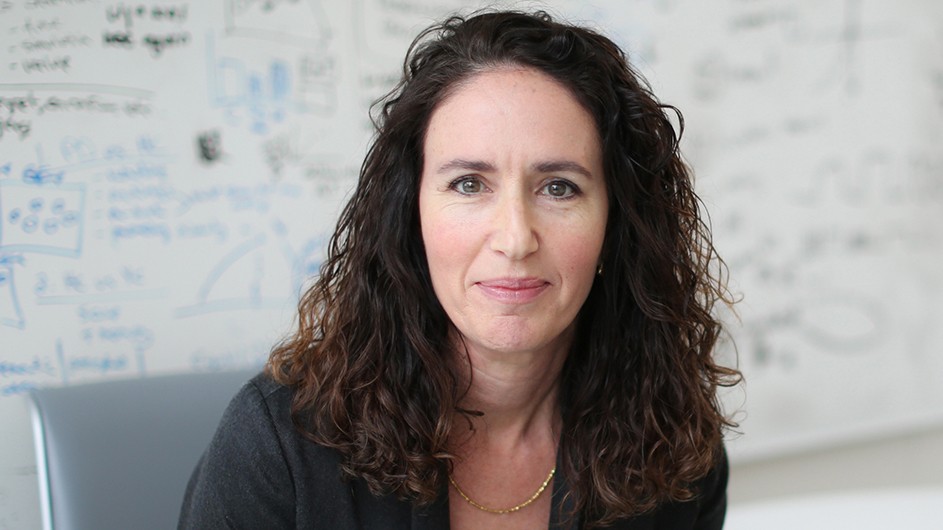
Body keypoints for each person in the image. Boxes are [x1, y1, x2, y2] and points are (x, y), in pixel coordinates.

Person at [179, 9, 740, 530]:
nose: (516, 238)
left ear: (615, 224)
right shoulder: (279, 447)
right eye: (469, 184)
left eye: (559, 187)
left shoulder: (675, 446)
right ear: (410, 214)